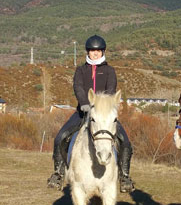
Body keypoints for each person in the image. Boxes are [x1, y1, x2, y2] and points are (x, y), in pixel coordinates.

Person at [46, 35, 135, 193]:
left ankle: (125, 176)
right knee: (60, 137)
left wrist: (101, 108)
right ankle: (58, 173)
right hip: (82, 112)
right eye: (92, 51)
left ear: (103, 52)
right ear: (88, 52)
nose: (95, 54)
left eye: (98, 51)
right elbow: (78, 87)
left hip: (103, 115)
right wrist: (84, 104)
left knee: (125, 142)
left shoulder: (109, 71)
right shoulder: (81, 70)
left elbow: (111, 90)